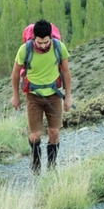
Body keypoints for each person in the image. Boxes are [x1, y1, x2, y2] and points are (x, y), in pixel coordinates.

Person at [10, 19, 73, 175]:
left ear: (51, 37)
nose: (44, 45)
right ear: (34, 39)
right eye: (40, 42)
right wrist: (15, 96)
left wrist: (68, 96)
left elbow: (66, 72)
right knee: (35, 135)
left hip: (54, 96)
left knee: (54, 132)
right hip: (33, 97)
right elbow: (15, 74)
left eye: (46, 42)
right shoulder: (25, 50)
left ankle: (51, 166)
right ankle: (36, 158)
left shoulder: (59, 47)